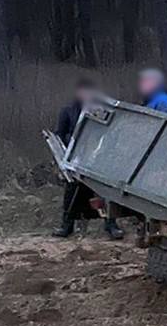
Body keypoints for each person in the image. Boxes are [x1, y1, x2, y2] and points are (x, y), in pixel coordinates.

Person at [52, 78, 125, 240]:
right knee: (71, 192)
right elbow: (59, 133)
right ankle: (66, 225)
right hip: (75, 159)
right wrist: (68, 150)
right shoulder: (68, 111)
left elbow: (109, 132)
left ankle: (111, 225)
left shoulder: (99, 109)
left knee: (105, 191)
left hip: (97, 158)